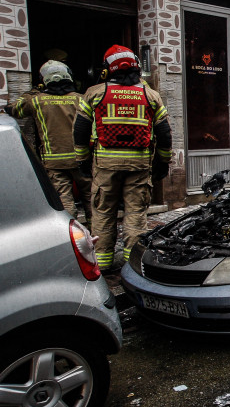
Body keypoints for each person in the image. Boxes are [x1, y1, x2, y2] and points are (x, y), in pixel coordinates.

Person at [73, 45, 172, 272]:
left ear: (109, 69)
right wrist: (163, 162)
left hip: (105, 165)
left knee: (103, 212)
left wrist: (82, 160)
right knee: (136, 213)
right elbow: (165, 133)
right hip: (139, 165)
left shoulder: (94, 93)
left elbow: (80, 130)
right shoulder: (150, 95)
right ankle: (132, 262)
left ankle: (104, 264)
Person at [4, 60, 93, 227]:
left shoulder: (37, 101)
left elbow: (13, 110)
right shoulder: (81, 99)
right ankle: (95, 234)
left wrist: (33, 91)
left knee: (64, 199)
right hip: (81, 159)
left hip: (54, 161)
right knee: (90, 198)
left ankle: (73, 235)